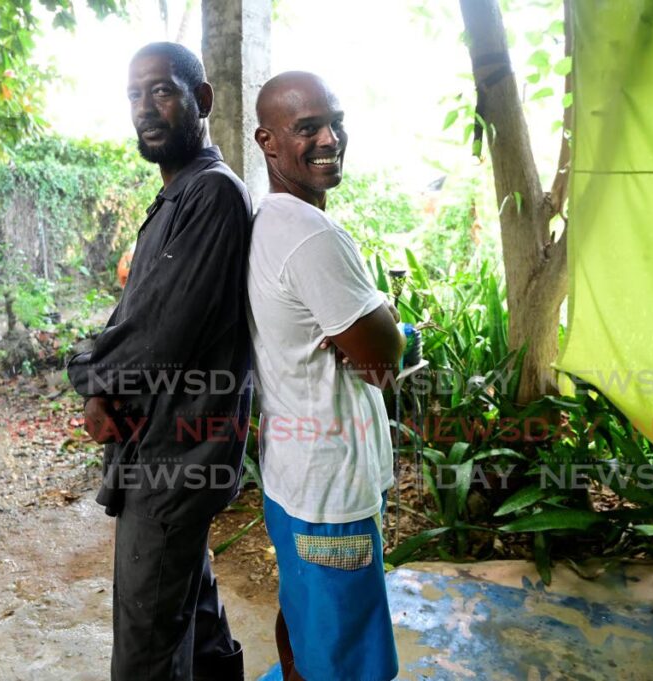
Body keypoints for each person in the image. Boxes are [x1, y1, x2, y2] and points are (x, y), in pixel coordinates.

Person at [66, 43, 253, 681]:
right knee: (189, 612)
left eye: (163, 91)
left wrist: (88, 376)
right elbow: (141, 316)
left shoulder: (212, 196)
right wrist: (100, 385)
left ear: (200, 100)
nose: (145, 109)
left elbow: (157, 335)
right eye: (134, 95)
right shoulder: (178, 196)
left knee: (146, 647)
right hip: (163, 449)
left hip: (177, 457)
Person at [247, 71, 404, 681]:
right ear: (268, 141)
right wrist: (382, 313)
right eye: (306, 127)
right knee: (349, 662)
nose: (329, 138)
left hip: (292, 479)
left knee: (307, 622)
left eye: (335, 121)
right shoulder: (313, 237)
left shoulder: (269, 220)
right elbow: (383, 361)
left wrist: (369, 325)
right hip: (331, 495)